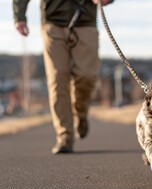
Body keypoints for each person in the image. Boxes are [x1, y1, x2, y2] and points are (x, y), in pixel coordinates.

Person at [13, 0, 114, 154]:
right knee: (57, 79)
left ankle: (80, 111)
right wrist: (19, 16)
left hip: (85, 20)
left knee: (87, 75)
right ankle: (65, 136)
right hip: (53, 22)